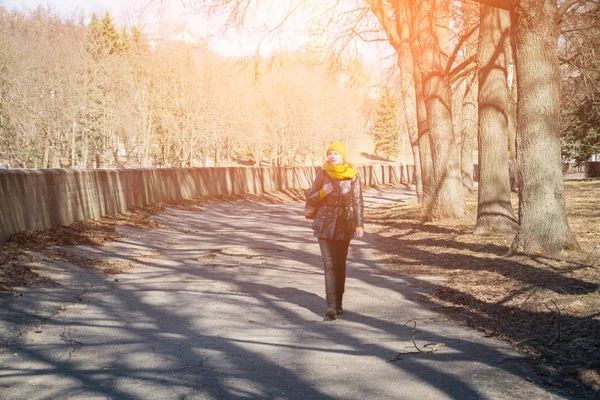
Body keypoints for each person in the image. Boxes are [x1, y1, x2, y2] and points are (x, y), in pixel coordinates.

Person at [306, 141, 364, 320]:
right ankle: (330, 306)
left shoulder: (353, 176)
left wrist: (359, 224)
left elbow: (358, 201)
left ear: (343, 156)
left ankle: (339, 303)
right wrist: (322, 192)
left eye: (335, 153)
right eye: (329, 153)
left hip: (345, 224)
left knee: (340, 265)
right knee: (329, 265)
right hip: (324, 225)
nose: (331, 156)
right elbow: (311, 198)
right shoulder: (322, 174)